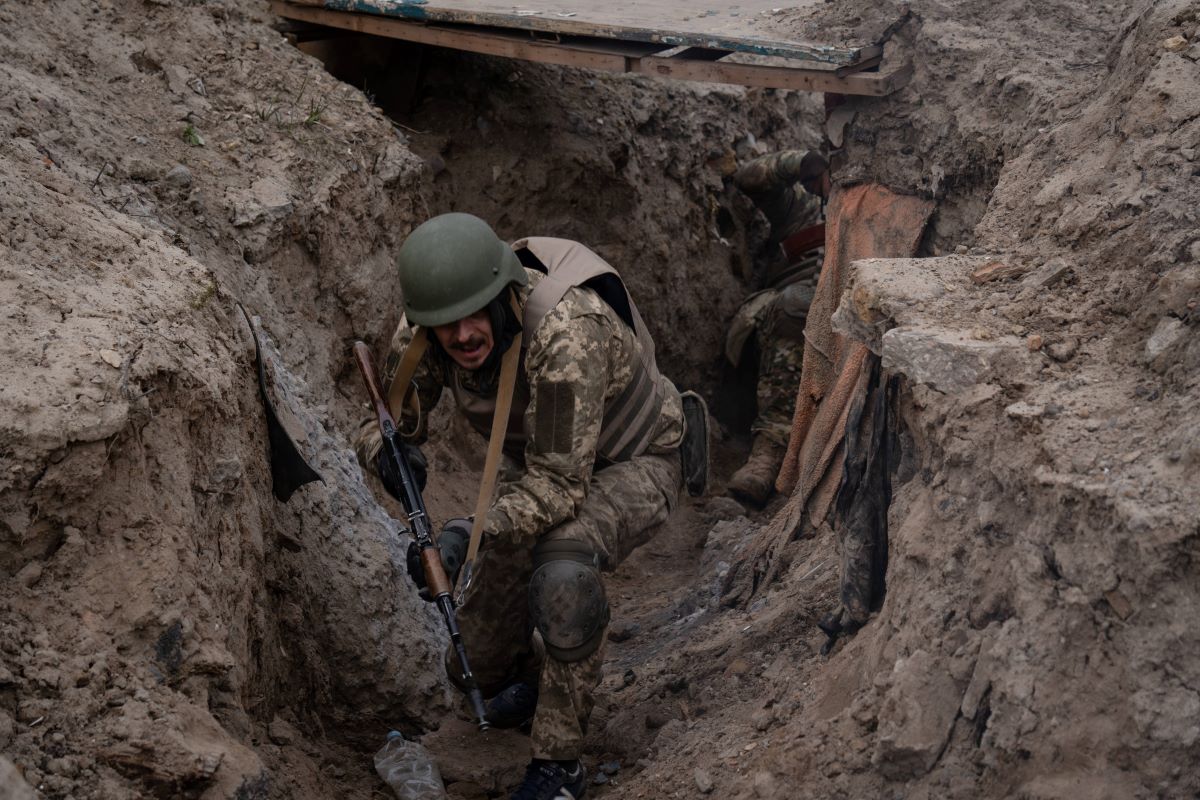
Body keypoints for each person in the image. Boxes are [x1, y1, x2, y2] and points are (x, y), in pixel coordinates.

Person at [355, 213, 707, 800]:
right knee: (476, 666)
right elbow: (384, 423)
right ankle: (534, 677)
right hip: (542, 463)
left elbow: (561, 488)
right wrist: (388, 455)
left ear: (502, 294)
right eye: (446, 325)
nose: (462, 335)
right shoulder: (426, 325)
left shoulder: (567, 332)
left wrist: (470, 533)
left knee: (562, 565)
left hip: (635, 459)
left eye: (475, 315)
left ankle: (559, 763)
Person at [724, 150, 830, 505]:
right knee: (797, 304)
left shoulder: (880, 211)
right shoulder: (804, 205)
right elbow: (748, 177)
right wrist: (803, 164)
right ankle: (769, 448)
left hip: (842, 333)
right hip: (782, 326)